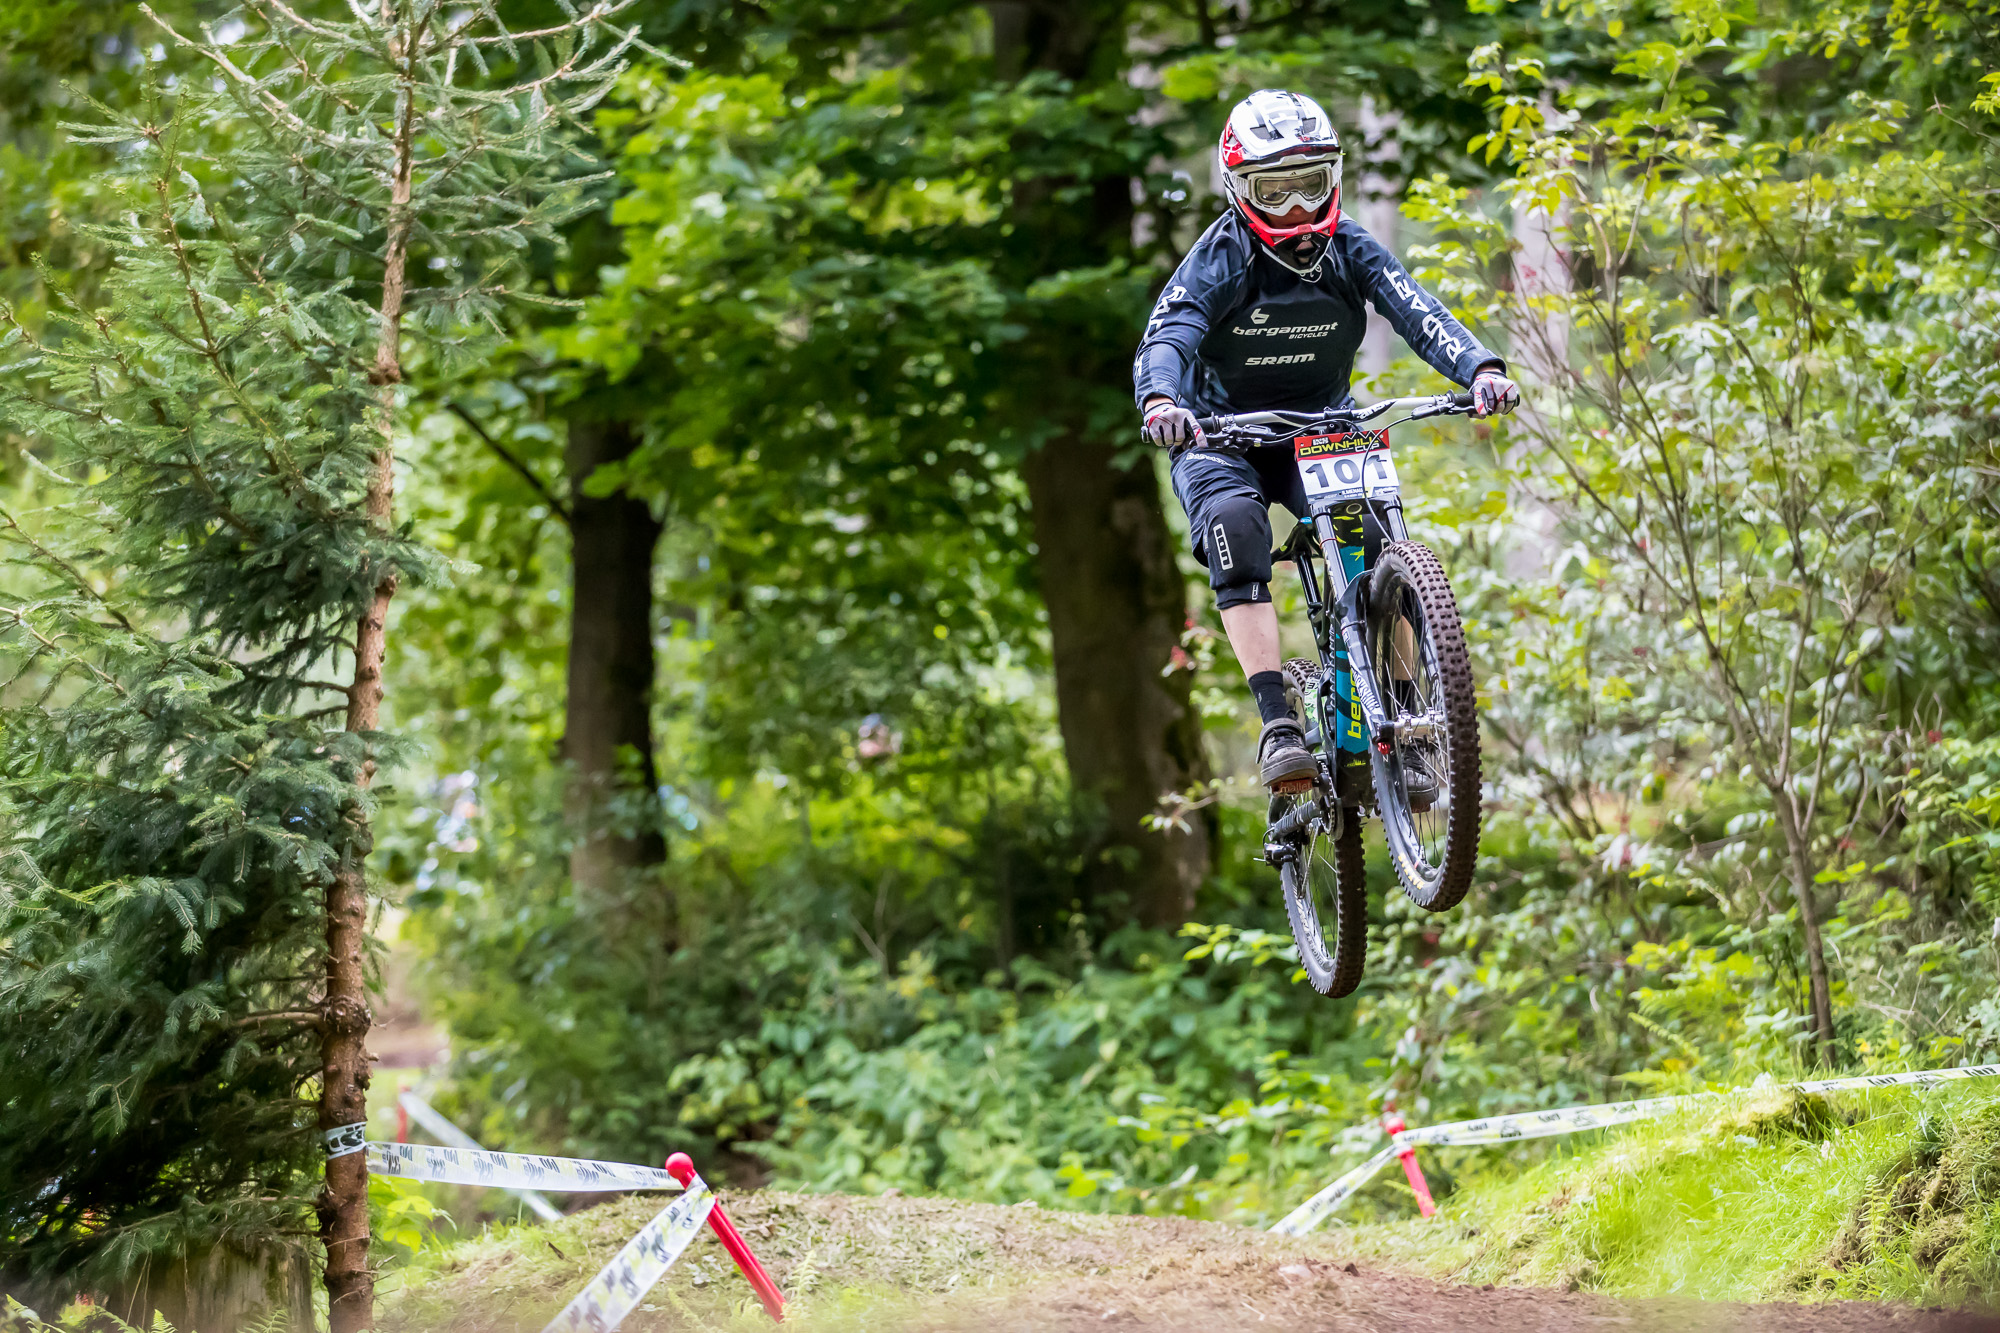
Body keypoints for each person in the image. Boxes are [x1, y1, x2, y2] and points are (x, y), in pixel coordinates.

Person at [1134, 89, 1519, 794]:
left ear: (1331, 179)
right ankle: (1280, 724)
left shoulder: (1348, 247)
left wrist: (1480, 366)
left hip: (1321, 425)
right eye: (1273, 193)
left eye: (1308, 186)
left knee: (1376, 545)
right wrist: (1162, 400)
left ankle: (1403, 722)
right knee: (1235, 524)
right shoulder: (1220, 257)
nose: (1295, 212)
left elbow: (1414, 306)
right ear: (1240, 190)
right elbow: (1169, 338)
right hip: (1221, 434)